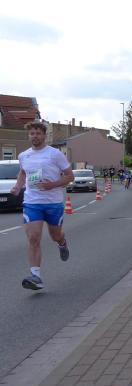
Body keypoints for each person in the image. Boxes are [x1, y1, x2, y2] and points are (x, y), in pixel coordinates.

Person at [9, 122, 74, 290]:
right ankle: (36, 277)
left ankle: (62, 243)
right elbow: (23, 172)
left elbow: (69, 176)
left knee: (55, 235)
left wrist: (52, 184)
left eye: (38, 133)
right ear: (29, 136)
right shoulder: (24, 156)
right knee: (33, 237)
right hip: (32, 202)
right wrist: (17, 186)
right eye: (32, 133)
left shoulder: (54, 154)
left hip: (53, 203)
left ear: (44, 135)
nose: (35, 136)